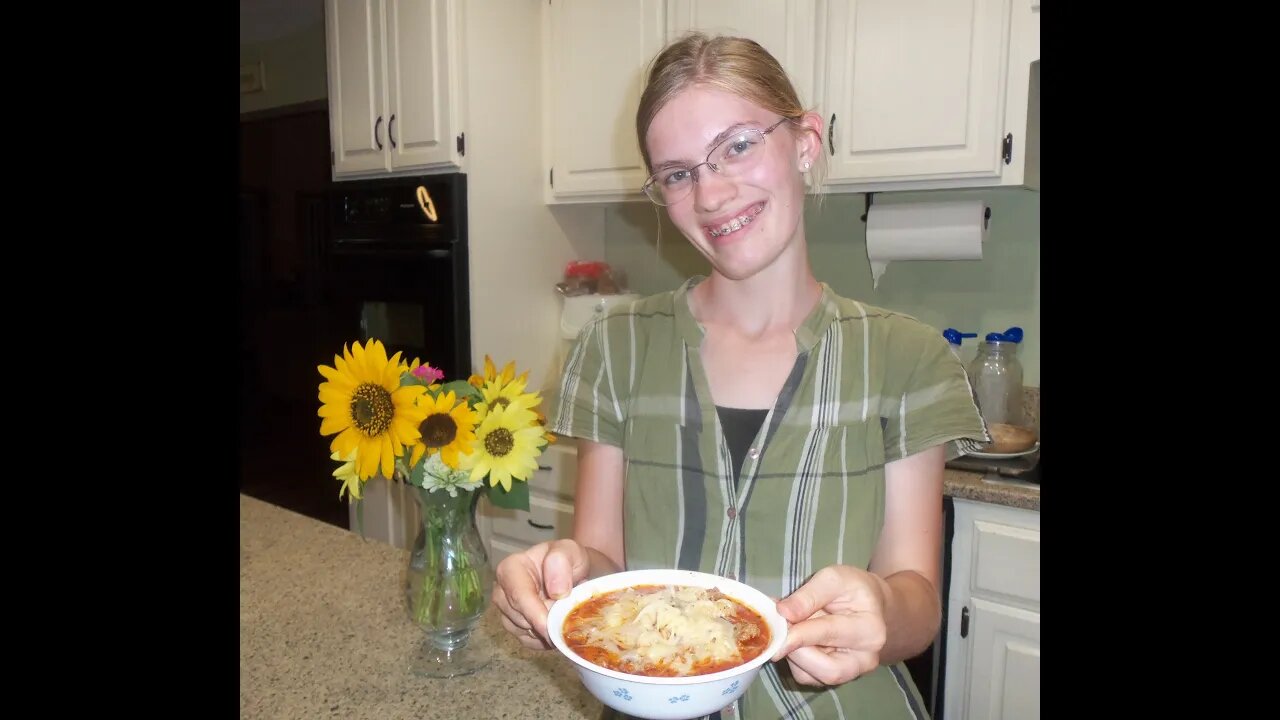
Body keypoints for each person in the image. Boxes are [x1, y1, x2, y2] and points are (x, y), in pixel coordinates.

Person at [493, 32, 989, 720]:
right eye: (677, 173)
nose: (712, 193)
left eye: (737, 146)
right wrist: (564, 577)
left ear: (806, 141)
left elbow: (918, 601)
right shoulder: (615, 347)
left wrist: (882, 611)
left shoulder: (908, 359)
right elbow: (605, 560)